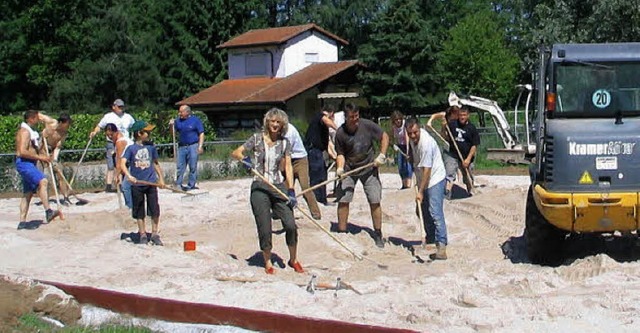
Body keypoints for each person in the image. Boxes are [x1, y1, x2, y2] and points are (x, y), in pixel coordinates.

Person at [231, 108, 304, 275]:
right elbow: (236, 152)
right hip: (259, 186)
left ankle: (293, 259)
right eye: (272, 121)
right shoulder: (256, 139)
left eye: (278, 122)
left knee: (290, 224)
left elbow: (287, 166)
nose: (275, 125)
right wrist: (246, 160)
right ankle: (268, 261)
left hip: (278, 186)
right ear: (267, 122)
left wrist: (291, 190)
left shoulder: (285, 143)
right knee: (265, 226)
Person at [334, 103, 389, 248]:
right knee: (344, 199)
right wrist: (340, 168)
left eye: (356, 116)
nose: (355, 119)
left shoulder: (367, 125)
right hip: (349, 169)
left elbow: (384, 136)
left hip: (369, 167)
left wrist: (382, 155)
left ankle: (378, 233)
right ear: (346, 117)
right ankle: (342, 232)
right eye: (352, 117)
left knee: (374, 199)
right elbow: (340, 154)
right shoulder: (340, 133)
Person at [406, 117, 448, 260]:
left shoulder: (427, 143)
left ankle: (441, 245)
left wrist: (421, 191)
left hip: (435, 177)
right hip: (422, 177)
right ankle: (430, 238)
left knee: (435, 211)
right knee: (421, 211)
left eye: (415, 133)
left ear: (420, 129)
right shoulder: (412, 139)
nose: (412, 136)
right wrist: (411, 158)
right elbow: (413, 155)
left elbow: (427, 171)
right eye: (410, 133)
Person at [121, 120, 165, 245]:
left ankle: (155, 233)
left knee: (154, 209)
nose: (149, 134)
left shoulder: (151, 147)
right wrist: (129, 176)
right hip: (137, 184)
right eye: (147, 132)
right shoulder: (131, 149)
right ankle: (142, 234)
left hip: (151, 183)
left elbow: (155, 163)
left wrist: (161, 178)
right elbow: (122, 163)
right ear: (139, 133)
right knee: (139, 210)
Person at [16, 110, 60, 228]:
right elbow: (22, 151)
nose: (38, 120)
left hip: (30, 163)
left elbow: (33, 149)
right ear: (31, 119)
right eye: (36, 118)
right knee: (43, 181)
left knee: (28, 193)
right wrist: (40, 157)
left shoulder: (30, 132)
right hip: (25, 163)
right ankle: (48, 211)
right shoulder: (25, 132)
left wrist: (44, 157)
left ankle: (22, 222)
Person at [89, 99, 135, 193]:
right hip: (111, 143)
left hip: (124, 142)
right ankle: (109, 185)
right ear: (114, 107)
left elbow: (134, 126)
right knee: (112, 164)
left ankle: (121, 184)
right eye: (119, 107)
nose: (121, 109)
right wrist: (94, 132)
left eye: (122, 107)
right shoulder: (108, 117)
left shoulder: (128, 117)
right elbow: (99, 126)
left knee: (122, 163)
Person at [285, 122, 322, 220]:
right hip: (287, 160)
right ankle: (283, 212)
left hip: (300, 159)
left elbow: (285, 151)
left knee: (305, 187)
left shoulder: (289, 131)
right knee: (284, 188)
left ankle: (316, 213)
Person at [304, 104, 338, 205]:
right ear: (331, 113)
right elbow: (326, 120)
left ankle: (322, 199)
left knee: (323, 174)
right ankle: (315, 200)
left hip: (319, 151)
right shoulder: (320, 117)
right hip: (313, 151)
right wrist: (339, 129)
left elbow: (327, 145)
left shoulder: (323, 129)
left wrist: (335, 157)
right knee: (316, 175)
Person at [428, 106, 461, 198]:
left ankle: (465, 186)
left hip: (459, 144)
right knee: (450, 168)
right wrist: (431, 122)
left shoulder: (459, 119)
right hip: (449, 144)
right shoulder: (445, 116)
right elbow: (434, 116)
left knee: (461, 167)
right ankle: (447, 190)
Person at [170, 105, 205, 191]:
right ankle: (178, 184)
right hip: (182, 146)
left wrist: (200, 146)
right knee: (180, 166)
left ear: (187, 112)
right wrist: (171, 125)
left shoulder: (195, 120)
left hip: (193, 146)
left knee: (193, 166)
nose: (179, 114)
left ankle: (191, 185)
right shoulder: (178, 121)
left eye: (181, 112)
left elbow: (201, 133)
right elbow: (173, 133)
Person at [41, 113, 73, 205]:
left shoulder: (64, 133)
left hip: (52, 152)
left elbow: (58, 147)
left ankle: (65, 197)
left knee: (60, 172)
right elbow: (39, 116)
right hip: (41, 149)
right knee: (40, 175)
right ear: (61, 122)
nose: (68, 126)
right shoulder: (51, 124)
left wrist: (54, 159)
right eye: (67, 123)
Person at [106, 123, 134, 209]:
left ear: (116, 132)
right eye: (108, 136)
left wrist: (117, 175)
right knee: (129, 186)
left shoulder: (120, 142)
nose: (110, 137)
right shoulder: (120, 140)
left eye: (111, 135)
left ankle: (130, 207)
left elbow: (119, 161)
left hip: (132, 164)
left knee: (125, 186)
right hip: (128, 163)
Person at [390, 110, 413, 189]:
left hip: (407, 145)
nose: (398, 121)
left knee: (407, 165)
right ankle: (403, 184)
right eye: (396, 120)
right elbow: (393, 137)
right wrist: (394, 146)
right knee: (400, 165)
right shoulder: (393, 127)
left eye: (399, 119)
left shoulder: (404, 124)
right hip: (400, 146)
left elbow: (407, 138)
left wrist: (407, 152)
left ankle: (408, 184)